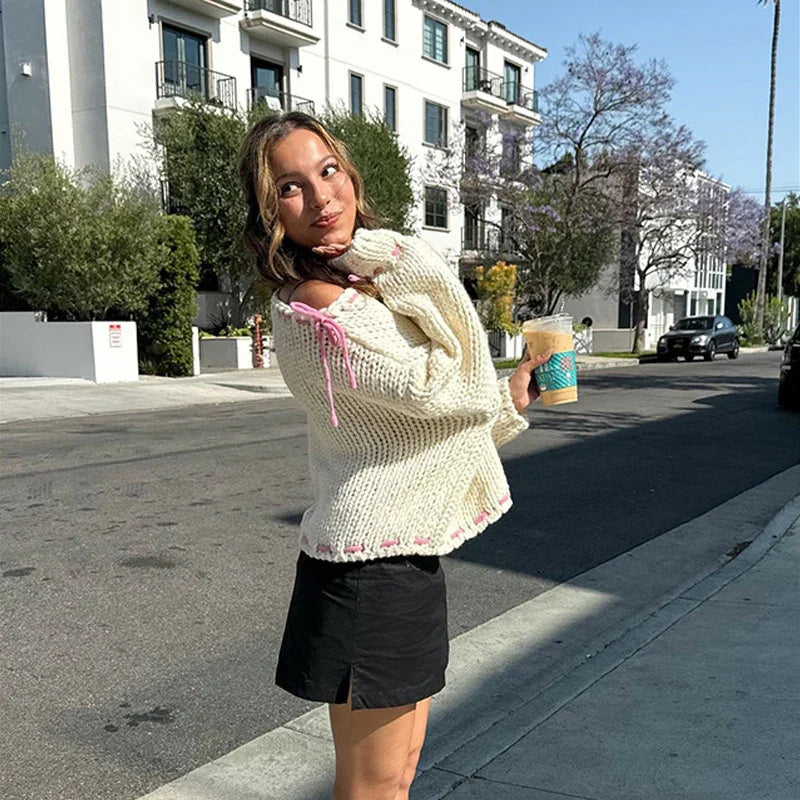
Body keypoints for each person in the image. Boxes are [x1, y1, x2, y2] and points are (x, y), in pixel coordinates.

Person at [238, 112, 551, 800]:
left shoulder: (353, 288)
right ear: (270, 215)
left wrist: (511, 401)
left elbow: (415, 428)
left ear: (349, 175)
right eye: (289, 187)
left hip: (393, 559)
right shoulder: (320, 309)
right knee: (374, 789)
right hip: (368, 572)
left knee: (395, 778)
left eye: (327, 171)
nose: (321, 197)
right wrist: (409, 259)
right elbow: (448, 386)